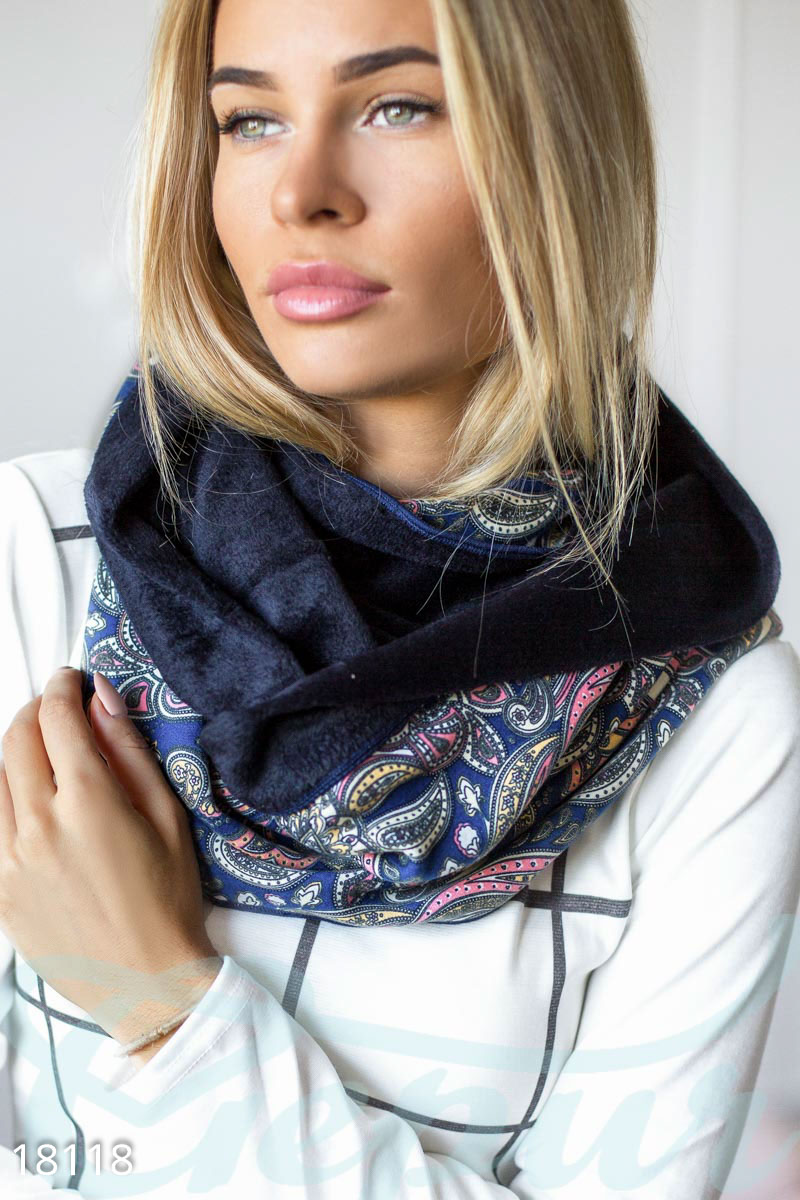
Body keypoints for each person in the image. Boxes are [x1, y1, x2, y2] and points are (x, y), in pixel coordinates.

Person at [0, 0, 798, 1196]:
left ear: (554, 150)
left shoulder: (723, 719)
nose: (301, 194)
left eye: (396, 106)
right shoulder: (33, 555)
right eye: (250, 120)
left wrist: (164, 1010)